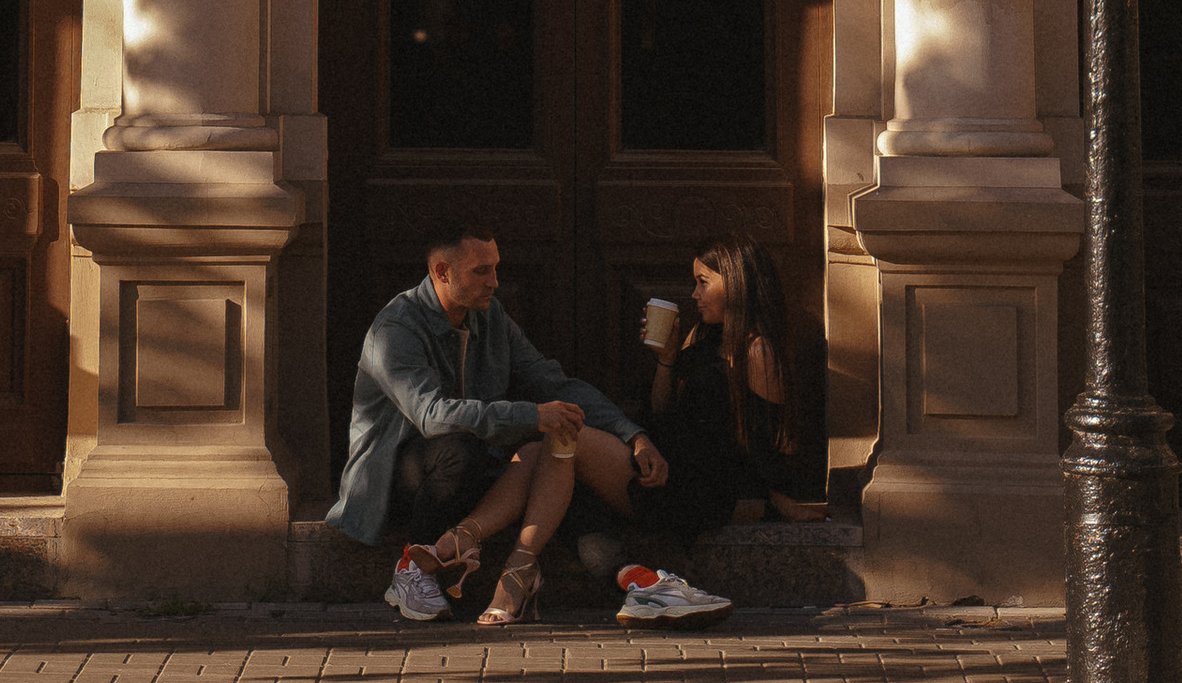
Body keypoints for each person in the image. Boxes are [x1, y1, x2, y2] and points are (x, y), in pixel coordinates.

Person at [326, 222, 732, 630]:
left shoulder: (491, 317)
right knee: (459, 449)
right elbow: (432, 416)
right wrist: (532, 415)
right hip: (399, 478)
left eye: (495, 268)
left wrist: (633, 433)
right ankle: (413, 567)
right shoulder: (395, 330)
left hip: (479, 473)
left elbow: (553, 382)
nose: (495, 282)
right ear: (441, 272)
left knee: (551, 468)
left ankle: (636, 581)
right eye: (480, 271)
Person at [635, 242, 830, 542]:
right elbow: (662, 410)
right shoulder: (700, 336)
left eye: (703, 283)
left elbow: (768, 444)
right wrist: (667, 358)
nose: (694, 295)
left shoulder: (759, 352)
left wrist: (781, 502)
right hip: (666, 469)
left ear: (738, 285)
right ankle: (623, 569)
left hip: (706, 492)